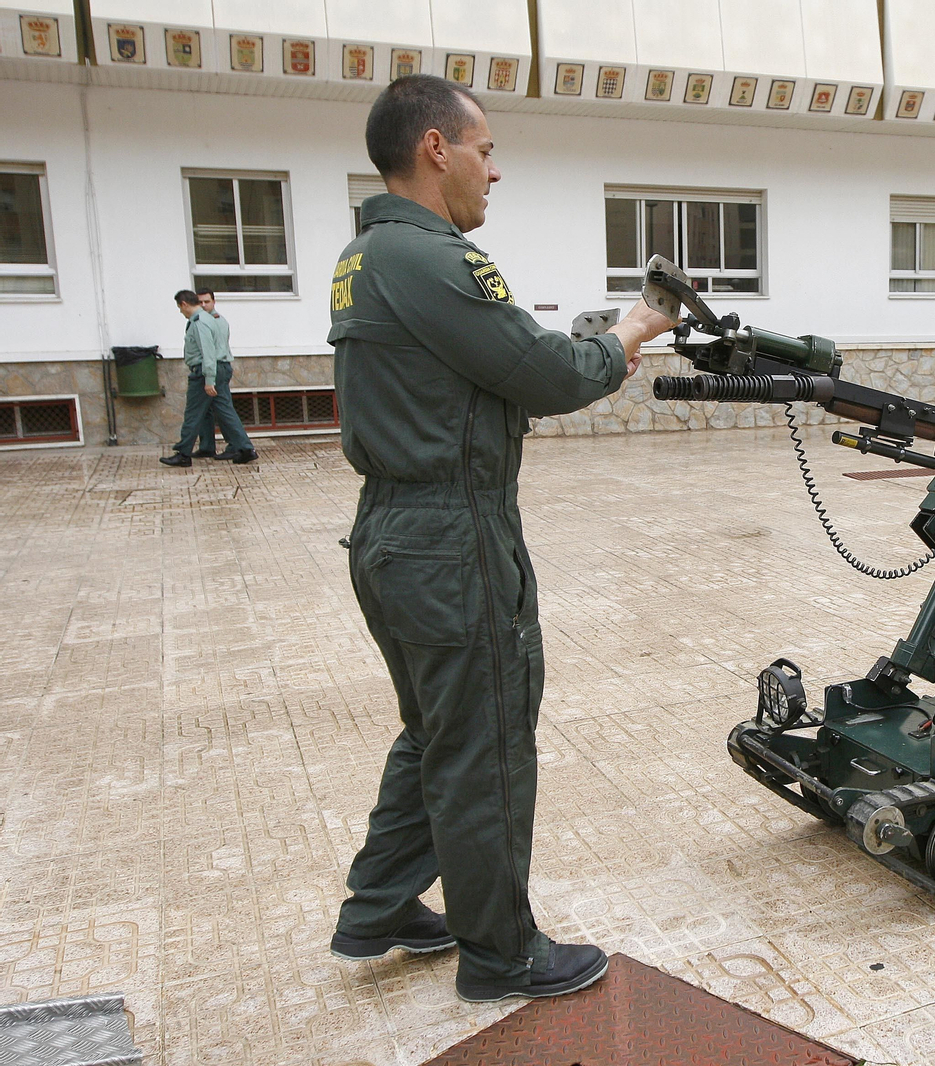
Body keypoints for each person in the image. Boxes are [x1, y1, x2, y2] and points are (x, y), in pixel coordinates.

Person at [325, 74, 676, 1003]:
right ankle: (502, 954)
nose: (495, 171)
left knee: (437, 734)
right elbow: (543, 371)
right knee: (484, 745)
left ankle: (379, 907)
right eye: (485, 150)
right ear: (436, 149)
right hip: (451, 536)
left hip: (397, 533)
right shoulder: (430, 258)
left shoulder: (366, 254)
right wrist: (632, 332)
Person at [159, 291, 257, 467]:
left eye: (179, 308)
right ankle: (245, 448)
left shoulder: (200, 322)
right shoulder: (211, 319)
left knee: (193, 413)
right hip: (218, 368)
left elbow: (208, 353)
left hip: (205, 371)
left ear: (184, 304)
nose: (181, 312)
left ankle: (183, 453)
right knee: (225, 411)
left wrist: (209, 379)